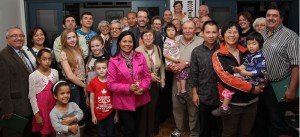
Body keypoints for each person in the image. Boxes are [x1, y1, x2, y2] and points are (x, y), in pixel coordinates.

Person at [212, 21, 264, 137]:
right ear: (223, 35)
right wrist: (251, 88)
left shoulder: (248, 51)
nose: (232, 35)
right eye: (229, 32)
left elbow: (261, 68)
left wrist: (261, 82)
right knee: (229, 133)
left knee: (245, 133)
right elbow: (226, 79)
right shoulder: (218, 55)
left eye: (235, 32)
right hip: (231, 104)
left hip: (252, 102)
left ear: (239, 35)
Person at [255, 3, 299, 137]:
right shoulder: (261, 34)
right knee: (260, 121)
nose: (271, 18)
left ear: (281, 18)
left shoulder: (290, 36)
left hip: (277, 86)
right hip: (260, 86)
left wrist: (292, 90)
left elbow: (296, 65)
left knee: (276, 122)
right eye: (268, 15)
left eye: (275, 15)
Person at [107, 31, 151, 137]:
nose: (127, 44)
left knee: (137, 128)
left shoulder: (140, 56)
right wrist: (128, 88)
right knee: (129, 130)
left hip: (140, 98)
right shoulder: (113, 60)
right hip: (123, 101)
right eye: (124, 41)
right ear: (119, 43)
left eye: (130, 41)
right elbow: (110, 84)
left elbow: (147, 76)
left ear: (134, 43)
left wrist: (143, 87)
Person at [212, 31, 267, 116]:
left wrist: (246, 73)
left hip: (256, 79)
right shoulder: (250, 54)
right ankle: (224, 107)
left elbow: (261, 71)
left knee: (232, 87)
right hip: (248, 78)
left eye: (254, 44)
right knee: (231, 86)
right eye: (249, 44)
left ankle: (224, 107)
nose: (251, 46)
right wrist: (237, 69)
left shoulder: (260, 56)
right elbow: (245, 64)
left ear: (260, 45)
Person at [169, 20, 203, 137]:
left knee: (193, 108)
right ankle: (179, 129)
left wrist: (186, 63)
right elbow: (167, 56)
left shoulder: (201, 41)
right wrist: (170, 66)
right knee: (177, 105)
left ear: (195, 29)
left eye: (190, 28)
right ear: (181, 29)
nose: (187, 31)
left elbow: (203, 61)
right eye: (185, 28)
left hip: (194, 80)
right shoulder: (175, 40)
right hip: (177, 79)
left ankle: (194, 132)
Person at [0, 26, 34, 137]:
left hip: (27, 104)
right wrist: (7, 109)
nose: (19, 38)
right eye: (14, 36)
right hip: (14, 108)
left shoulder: (22, 52)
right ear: (7, 39)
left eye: (21, 35)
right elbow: (2, 86)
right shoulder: (3, 56)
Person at [190, 20, 222, 137]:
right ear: (202, 33)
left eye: (214, 32)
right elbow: (194, 74)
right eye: (208, 32)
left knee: (219, 129)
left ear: (218, 33)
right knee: (204, 128)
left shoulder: (222, 50)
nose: (211, 35)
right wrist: (194, 94)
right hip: (203, 95)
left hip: (221, 96)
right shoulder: (196, 51)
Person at [135, 29, 165, 137]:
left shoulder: (157, 48)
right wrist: (148, 76)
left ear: (154, 37)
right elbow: (135, 70)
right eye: (145, 36)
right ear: (142, 38)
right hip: (143, 84)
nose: (148, 38)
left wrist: (163, 77)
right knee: (143, 110)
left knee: (152, 109)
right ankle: (142, 133)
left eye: (150, 35)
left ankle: (150, 132)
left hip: (154, 85)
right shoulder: (137, 51)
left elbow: (161, 64)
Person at [59, 29, 86, 133]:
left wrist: (83, 85)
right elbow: (70, 75)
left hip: (80, 85)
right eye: (68, 38)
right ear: (64, 40)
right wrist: (84, 86)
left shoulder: (78, 49)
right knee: (73, 117)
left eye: (73, 37)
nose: (72, 40)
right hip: (72, 87)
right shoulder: (64, 53)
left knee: (82, 114)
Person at [28, 49, 59, 137]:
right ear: (38, 60)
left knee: (54, 130)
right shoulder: (33, 76)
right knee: (44, 132)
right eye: (44, 59)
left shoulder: (55, 72)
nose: (47, 61)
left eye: (49, 59)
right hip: (42, 109)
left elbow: (57, 91)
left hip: (53, 106)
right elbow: (32, 96)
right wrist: (37, 115)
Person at [87, 59, 118, 137]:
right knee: (101, 134)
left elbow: (116, 98)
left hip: (110, 113)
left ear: (108, 68)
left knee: (111, 133)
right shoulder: (93, 82)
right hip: (98, 114)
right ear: (95, 69)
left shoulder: (112, 81)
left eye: (104, 68)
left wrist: (117, 114)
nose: (101, 70)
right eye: (98, 68)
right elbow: (91, 99)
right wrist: (93, 115)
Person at [163, 23, 190, 104]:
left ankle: (179, 92)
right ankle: (183, 91)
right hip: (171, 62)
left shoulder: (178, 37)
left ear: (176, 31)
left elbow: (186, 34)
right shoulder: (167, 42)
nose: (171, 32)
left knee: (178, 76)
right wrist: (174, 60)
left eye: (172, 30)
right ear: (165, 32)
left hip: (176, 61)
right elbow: (165, 54)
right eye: (168, 30)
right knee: (183, 73)